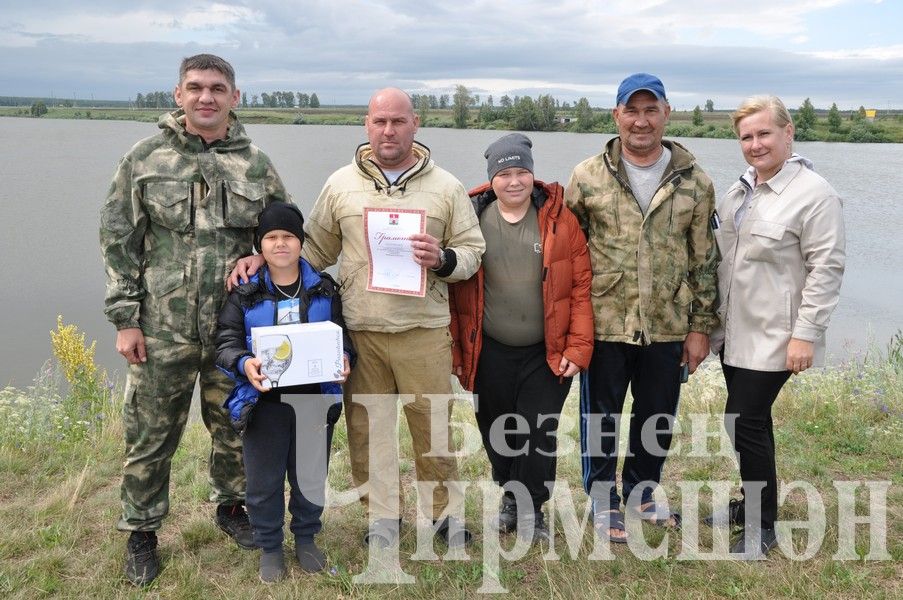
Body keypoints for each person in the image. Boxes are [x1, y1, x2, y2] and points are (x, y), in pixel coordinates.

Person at [232, 88, 485, 548]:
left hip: (424, 330)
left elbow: (473, 251)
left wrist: (444, 258)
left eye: (398, 121)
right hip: (361, 331)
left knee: (435, 430)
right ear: (367, 125)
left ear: (416, 123)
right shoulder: (340, 185)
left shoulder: (446, 187)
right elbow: (313, 251)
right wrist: (261, 262)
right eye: (380, 121)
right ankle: (382, 519)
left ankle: (443, 516)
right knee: (369, 431)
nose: (389, 130)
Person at [100, 54, 292, 586]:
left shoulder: (256, 163)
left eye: (217, 88)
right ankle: (142, 531)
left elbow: (283, 232)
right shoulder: (144, 158)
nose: (206, 97)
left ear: (235, 96)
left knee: (236, 423)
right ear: (178, 95)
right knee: (151, 433)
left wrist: (262, 253)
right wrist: (125, 318)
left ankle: (232, 508)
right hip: (161, 328)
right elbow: (118, 240)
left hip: (234, 328)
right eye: (195, 87)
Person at [564, 73, 719, 542]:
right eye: (632, 110)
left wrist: (701, 328)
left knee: (657, 414)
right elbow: (569, 254)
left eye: (651, 110)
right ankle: (600, 498)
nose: (641, 120)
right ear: (616, 116)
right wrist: (573, 325)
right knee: (601, 417)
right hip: (605, 321)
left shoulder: (695, 181)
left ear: (667, 114)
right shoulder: (587, 176)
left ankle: (642, 491)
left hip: (668, 323)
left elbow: (705, 261)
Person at [706, 95, 845, 559]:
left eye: (764, 133)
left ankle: (762, 527)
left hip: (776, 336)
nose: (755, 144)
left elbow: (826, 269)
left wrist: (805, 333)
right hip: (734, 332)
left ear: (789, 133)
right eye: (746, 136)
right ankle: (751, 503)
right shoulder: (740, 189)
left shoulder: (814, 194)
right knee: (749, 422)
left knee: (743, 421)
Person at [448, 133, 593, 543]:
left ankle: (532, 508)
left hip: (545, 351)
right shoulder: (470, 218)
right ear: (492, 178)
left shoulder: (559, 220)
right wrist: (458, 351)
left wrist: (578, 348)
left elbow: (581, 287)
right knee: (497, 427)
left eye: (522, 172)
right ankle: (510, 494)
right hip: (489, 349)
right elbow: (454, 291)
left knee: (537, 431)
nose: (514, 181)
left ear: (533, 174)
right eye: (505, 173)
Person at [215, 203, 354, 581]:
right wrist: (244, 363)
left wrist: (344, 359)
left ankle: (307, 539)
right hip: (263, 404)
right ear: (260, 245)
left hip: (314, 401)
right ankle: (271, 546)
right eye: (271, 238)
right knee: (263, 481)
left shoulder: (324, 287)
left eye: (288, 236)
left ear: (301, 242)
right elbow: (224, 341)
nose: (280, 244)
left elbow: (343, 338)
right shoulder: (244, 293)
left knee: (309, 477)